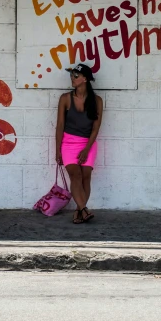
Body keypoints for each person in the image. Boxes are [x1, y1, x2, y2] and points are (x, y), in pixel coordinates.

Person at [55, 63, 104, 224]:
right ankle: (84, 209)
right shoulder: (65, 98)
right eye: (71, 75)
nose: (72, 78)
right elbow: (60, 126)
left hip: (88, 143)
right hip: (68, 143)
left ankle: (78, 211)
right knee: (75, 175)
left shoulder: (97, 101)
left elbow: (95, 129)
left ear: (85, 79)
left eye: (76, 76)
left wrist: (86, 149)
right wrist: (58, 151)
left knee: (85, 177)